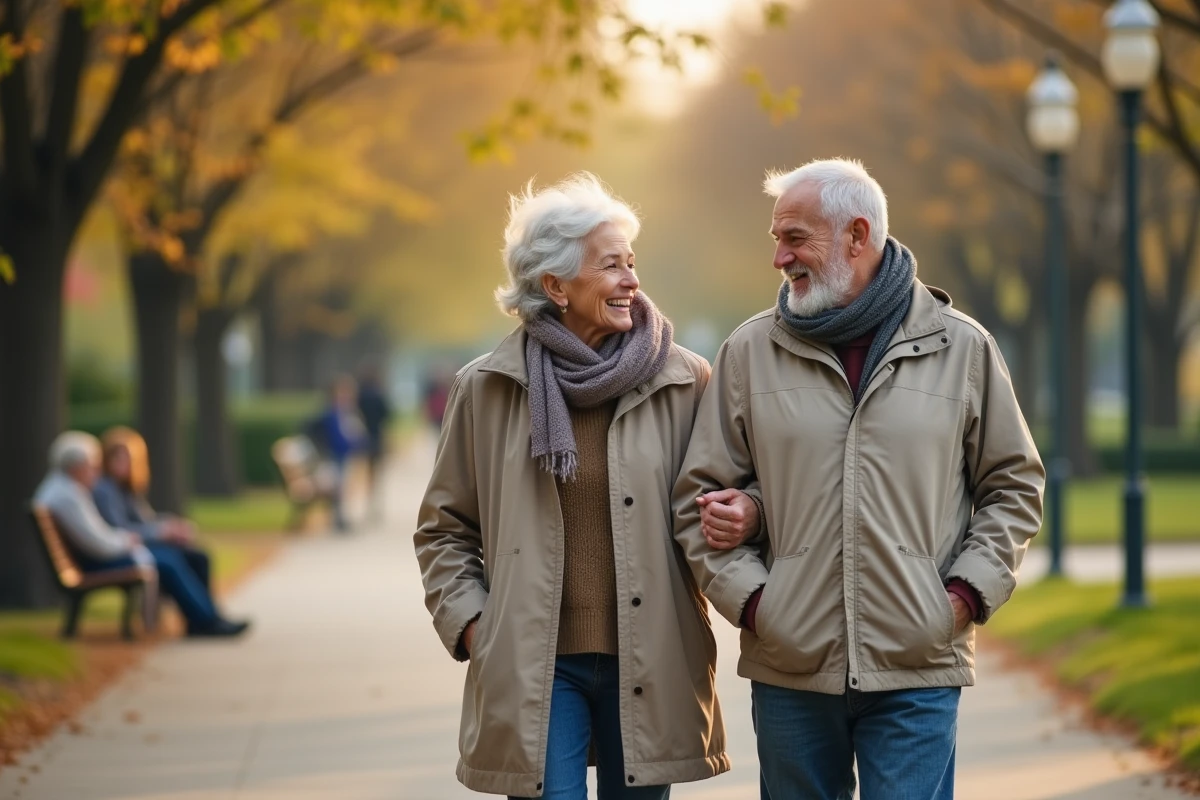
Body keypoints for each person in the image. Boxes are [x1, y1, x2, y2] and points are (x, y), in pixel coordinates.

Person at [673, 158, 1045, 800]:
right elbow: (696, 499)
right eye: (776, 239)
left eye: (795, 238)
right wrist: (759, 605)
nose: (779, 258)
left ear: (857, 235)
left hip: (918, 664)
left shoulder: (963, 349)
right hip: (792, 667)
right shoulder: (748, 352)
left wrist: (961, 598)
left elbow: (1013, 487)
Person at [414, 173, 750, 799]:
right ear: (555, 286)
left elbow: (729, 494)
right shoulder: (487, 388)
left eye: (633, 263)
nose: (632, 281)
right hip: (536, 663)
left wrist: (745, 519)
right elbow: (444, 530)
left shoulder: (686, 381)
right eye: (611, 266)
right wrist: (474, 627)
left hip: (651, 656)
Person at [34, 431, 250, 638]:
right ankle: (206, 621)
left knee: (184, 556)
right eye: (91, 465)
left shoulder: (67, 490)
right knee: (169, 561)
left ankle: (205, 619)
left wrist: (160, 529)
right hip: (95, 562)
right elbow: (98, 543)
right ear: (76, 467)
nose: (95, 471)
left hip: (97, 556)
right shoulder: (70, 496)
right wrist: (129, 540)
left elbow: (113, 530)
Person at [93, 427, 215, 596]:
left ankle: (208, 615)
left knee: (198, 556)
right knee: (178, 559)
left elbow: (147, 519)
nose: (124, 463)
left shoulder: (126, 488)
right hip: (127, 550)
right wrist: (161, 532)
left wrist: (173, 525)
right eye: (118, 458)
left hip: (139, 544)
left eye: (128, 458)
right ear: (107, 459)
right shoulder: (105, 490)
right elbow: (121, 529)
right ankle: (205, 617)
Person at [307, 375, 366, 532]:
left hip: (343, 454)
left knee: (342, 487)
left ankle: (339, 518)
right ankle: (337, 519)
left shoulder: (346, 411)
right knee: (337, 486)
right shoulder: (329, 412)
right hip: (333, 455)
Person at [356, 362, 393, 520]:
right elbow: (388, 415)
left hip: (363, 437)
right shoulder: (379, 394)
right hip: (377, 436)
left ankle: (368, 503)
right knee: (377, 473)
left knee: (366, 472)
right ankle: (376, 505)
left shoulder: (360, 395)